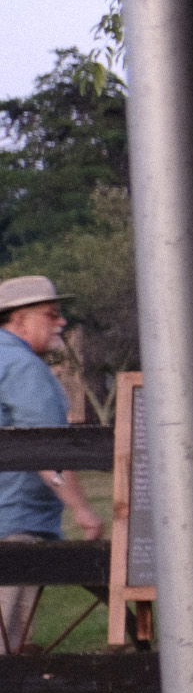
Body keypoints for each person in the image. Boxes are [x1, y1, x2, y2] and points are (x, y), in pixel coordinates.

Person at [0, 276, 100, 654]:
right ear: (20, 320)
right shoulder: (24, 368)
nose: (61, 323)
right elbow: (46, 449)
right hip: (15, 519)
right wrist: (82, 509)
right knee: (5, 640)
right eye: (51, 315)